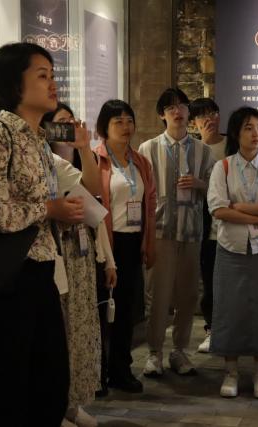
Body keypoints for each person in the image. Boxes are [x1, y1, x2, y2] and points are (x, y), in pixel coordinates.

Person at [0, 42, 101, 427]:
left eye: (53, 75)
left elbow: (35, 207)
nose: (53, 83)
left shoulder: (38, 140)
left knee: (49, 385)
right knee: (4, 393)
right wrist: (48, 210)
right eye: (42, 75)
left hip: (41, 273)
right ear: (14, 84)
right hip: (5, 279)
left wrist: (59, 216)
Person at [207, 107, 258, 399]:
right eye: (248, 128)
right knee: (230, 309)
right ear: (236, 133)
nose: (256, 134)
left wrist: (239, 207)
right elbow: (218, 209)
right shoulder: (223, 167)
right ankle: (230, 372)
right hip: (231, 247)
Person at [43, 103, 116, 427]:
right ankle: (60, 403)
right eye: (61, 122)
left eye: (71, 121)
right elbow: (91, 194)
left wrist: (109, 260)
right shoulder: (47, 161)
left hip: (82, 255)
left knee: (82, 329)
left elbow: (95, 205)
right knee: (64, 331)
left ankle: (73, 402)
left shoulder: (72, 164)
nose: (68, 126)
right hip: (59, 256)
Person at [138, 88, 215, 377]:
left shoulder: (203, 151)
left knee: (187, 295)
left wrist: (199, 183)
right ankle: (154, 353)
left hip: (192, 232)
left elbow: (216, 191)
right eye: (171, 107)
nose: (177, 111)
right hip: (160, 233)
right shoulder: (147, 149)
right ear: (162, 114)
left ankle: (180, 351)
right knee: (158, 296)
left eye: (182, 106)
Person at [94, 99, 156, 393]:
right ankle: (97, 372)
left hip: (133, 241)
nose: (125, 126)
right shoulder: (95, 159)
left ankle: (121, 369)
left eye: (129, 120)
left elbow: (150, 203)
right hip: (106, 242)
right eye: (118, 121)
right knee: (102, 310)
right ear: (104, 127)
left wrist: (148, 242)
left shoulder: (140, 161)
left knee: (126, 310)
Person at [189, 97, 226, 353]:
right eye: (203, 115)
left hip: (230, 224)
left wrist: (202, 185)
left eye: (213, 112)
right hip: (203, 226)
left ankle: (233, 329)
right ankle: (212, 329)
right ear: (194, 123)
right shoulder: (192, 150)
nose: (209, 119)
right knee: (210, 281)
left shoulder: (232, 146)